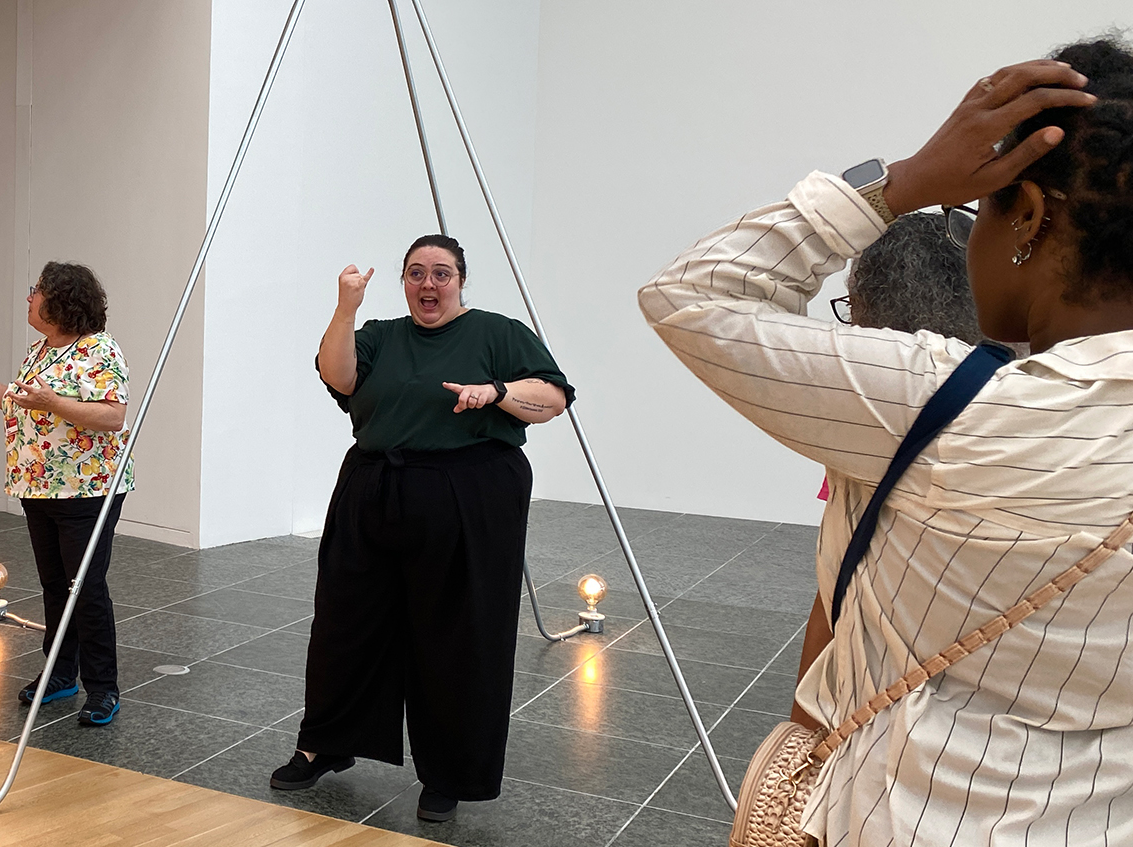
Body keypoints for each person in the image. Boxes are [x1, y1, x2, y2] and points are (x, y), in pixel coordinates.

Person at [640, 43, 1133, 844]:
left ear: (1031, 218)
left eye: (981, 208)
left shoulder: (945, 405)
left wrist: (903, 182)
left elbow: (691, 295)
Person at [271, 234, 572, 823]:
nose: (428, 284)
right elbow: (338, 376)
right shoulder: (381, 333)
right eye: (415, 273)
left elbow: (554, 396)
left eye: (441, 273)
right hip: (375, 486)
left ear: (461, 280)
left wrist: (498, 392)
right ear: (403, 281)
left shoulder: (496, 332)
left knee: (458, 633)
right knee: (346, 621)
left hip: (469, 492)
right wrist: (345, 306)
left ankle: (450, 773)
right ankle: (326, 744)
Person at [791, 212, 982, 728]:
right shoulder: (1035, 402)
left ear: (866, 310)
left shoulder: (862, 417)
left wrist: (799, 731)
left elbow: (834, 592)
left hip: (876, 709)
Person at [0, 261, 132, 727]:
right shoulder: (39, 349)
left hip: (86, 489)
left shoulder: (100, 351)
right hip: (39, 485)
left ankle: (103, 688)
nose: (28, 297)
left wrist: (55, 403)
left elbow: (114, 417)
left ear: (60, 301)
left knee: (85, 588)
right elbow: (21, 405)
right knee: (54, 585)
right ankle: (60, 672)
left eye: (36, 290)